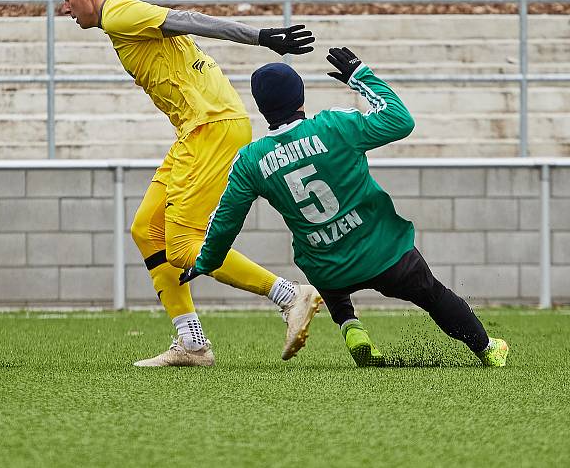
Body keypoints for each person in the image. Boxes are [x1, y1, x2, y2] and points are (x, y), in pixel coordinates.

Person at [55, 0, 323, 367]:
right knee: (147, 229)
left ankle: (290, 296)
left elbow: (192, 20)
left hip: (211, 127)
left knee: (182, 246)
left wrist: (261, 37)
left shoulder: (119, 13)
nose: (65, 8)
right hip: (196, 130)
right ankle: (192, 344)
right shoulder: (122, 17)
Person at [180, 47, 510, 367]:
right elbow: (400, 121)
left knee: (328, 279)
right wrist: (359, 75)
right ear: (300, 96)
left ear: (262, 108)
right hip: (384, 252)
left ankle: (351, 327)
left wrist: (206, 261)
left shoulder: (250, 160)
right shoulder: (335, 126)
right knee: (434, 296)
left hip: (328, 267)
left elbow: (226, 219)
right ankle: (486, 348)